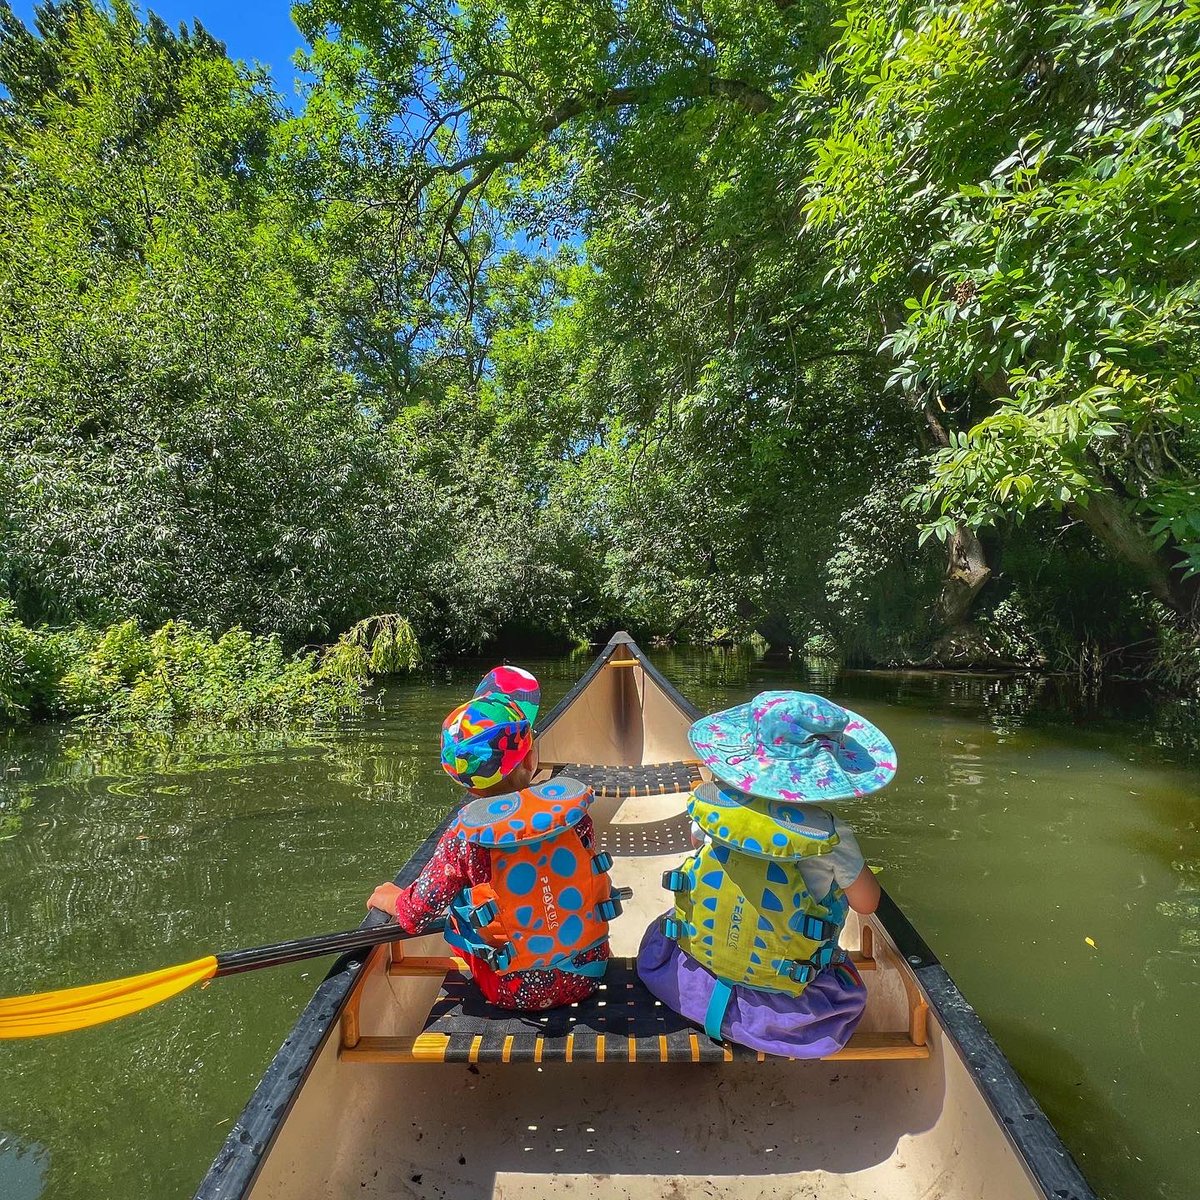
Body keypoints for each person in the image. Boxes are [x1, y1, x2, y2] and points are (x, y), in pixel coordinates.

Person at [636, 690, 896, 1057]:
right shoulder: (830, 838)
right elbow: (867, 904)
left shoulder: (712, 807)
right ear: (828, 773)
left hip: (686, 979)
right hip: (785, 1014)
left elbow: (698, 844)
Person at [367, 666, 624, 1011]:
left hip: (512, 991)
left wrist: (390, 897)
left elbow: (416, 915)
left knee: (461, 910)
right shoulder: (572, 813)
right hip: (590, 972)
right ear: (531, 760)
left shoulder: (463, 835)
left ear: (463, 781)